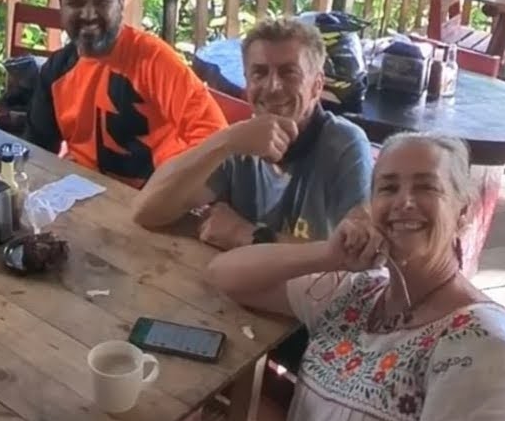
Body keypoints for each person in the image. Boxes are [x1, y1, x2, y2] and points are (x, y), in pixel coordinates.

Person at [206, 132, 505, 421]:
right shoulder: (358, 291)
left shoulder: (482, 351)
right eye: (388, 188)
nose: (404, 202)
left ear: (463, 212)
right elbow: (226, 275)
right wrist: (326, 255)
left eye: (426, 187)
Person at [132, 16, 373, 248]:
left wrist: (246, 234)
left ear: (317, 86)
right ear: (247, 82)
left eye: (288, 72)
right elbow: (145, 211)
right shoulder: (239, 143)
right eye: (259, 73)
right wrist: (224, 141)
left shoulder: (345, 145)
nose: (272, 86)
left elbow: (354, 257)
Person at [24, 0, 227, 188]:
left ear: (121, 3)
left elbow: (215, 136)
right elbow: (36, 151)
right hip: (82, 191)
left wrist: (176, 189)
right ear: (62, 10)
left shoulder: (154, 60)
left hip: (154, 197)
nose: (88, 14)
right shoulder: (56, 71)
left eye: (101, 2)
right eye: (75, 3)